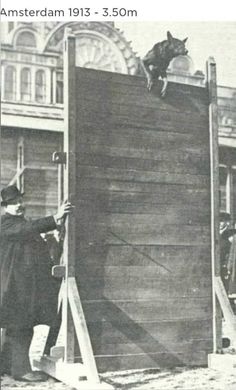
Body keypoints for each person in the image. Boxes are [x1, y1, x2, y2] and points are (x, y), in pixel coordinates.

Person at [0, 185, 73, 382]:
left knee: (14, 326)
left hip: (17, 283)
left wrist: (53, 237)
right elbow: (28, 229)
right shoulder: (6, 223)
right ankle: (21, 371)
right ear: (4, 206)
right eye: (13, 203)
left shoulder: (16, 222)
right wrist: (55, 218)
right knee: (21, 326)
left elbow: (30, 237)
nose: (19, 205)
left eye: (20, 201)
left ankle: (5, 366)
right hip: (14, 284)